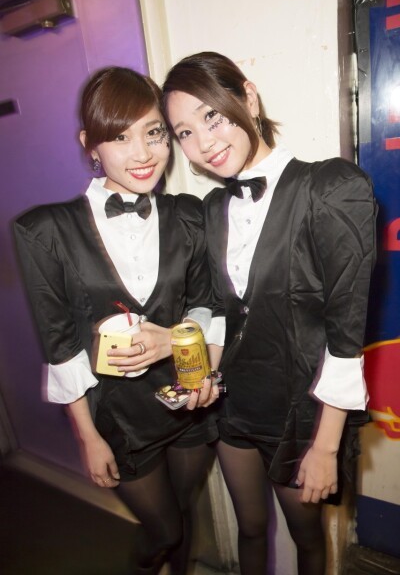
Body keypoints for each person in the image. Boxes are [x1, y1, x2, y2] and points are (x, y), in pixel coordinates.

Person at [163, 51, 377, 575]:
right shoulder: (213, 210)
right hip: (233, 405)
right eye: (185, 132)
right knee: (251, 527)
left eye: (212, 116)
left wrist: (326, 446)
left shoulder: (331, 188)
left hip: (301, 413)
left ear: (249, 97)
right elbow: (223, 310)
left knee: (307, 539)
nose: (204, 142)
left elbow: (346, 333)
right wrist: (204, 373)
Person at [13, 66, 220, 575]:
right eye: (120, 137)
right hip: (119, 418)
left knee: (184, 512)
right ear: (90, 144)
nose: (143, 153)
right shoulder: (46, 231)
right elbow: (60, 342)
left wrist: (183, 349)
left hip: (188, 400)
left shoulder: (188, 214)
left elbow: (205, 303)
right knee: (164, 530)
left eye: (154, 133)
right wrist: (88, 437)